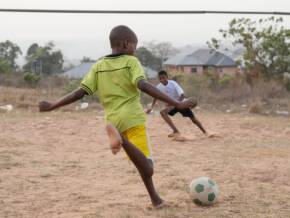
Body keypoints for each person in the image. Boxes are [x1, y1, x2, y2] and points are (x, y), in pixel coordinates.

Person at [38, 25, 195, 208]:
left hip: (113, 121)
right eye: (135, 47)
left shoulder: (98, 66)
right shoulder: (130, 62)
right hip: (132, 119)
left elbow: (80, 93)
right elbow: (143, 85)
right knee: (148, 167)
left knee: (141, 164)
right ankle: (122, 141)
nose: (135, 51)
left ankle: (156, 200)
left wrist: (52, 105)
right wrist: (177, 104)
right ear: (127, 44)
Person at [146, 70, 207, 138]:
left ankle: (205, 132)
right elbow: (155, 96)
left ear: (167, 77)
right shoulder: (159, 86)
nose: (162, 80)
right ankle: (176, 131)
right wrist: (151, 107)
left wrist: (176, 104)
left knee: (193, 119)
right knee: (163, 113)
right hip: (171, 106)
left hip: (181, 103)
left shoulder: (173, 83)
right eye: (160, 78)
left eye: (163, 77)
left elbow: (182, 95)